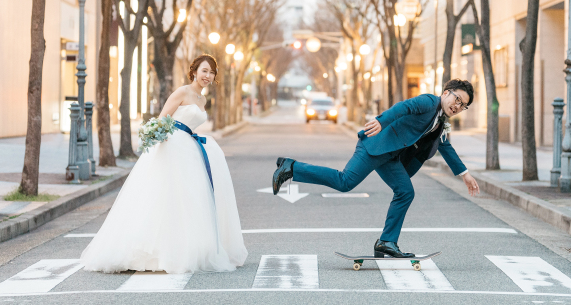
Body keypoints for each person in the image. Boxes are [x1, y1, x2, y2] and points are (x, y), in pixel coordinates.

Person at [272, 79, 480, 259]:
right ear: (446, 93)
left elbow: (445, 146)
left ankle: (387, 242)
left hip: (390, 156)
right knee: (345, 182)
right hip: (374, 145)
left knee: (405, 191)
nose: (458, 106)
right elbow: (403, 107)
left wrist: (465, 174)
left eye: (463, 105)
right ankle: (292, 168)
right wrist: (381, 121)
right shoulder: (428, 102)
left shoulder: (439, 120)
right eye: (457, 99)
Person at [82, 54, 247, 273]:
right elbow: (163, 117)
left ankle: (184, 247)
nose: (207, 76)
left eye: (211, 72)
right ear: (195, 71)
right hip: (173, 145)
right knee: (162, 196)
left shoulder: (202, 99)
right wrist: (160, 137)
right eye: (204, 71)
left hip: (191, 148)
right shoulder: (183, 92)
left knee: (188, 199)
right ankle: (150, 249)